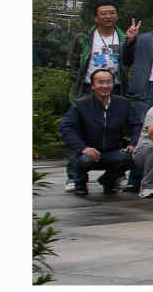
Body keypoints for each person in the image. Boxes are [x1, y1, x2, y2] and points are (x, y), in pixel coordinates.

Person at [58, 68, 139, 196]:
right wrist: (83, 148)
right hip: (87, 151)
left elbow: (136, 125)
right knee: (83, 160)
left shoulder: (123, 103)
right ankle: (80, 182)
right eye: (100, 82)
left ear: (113, 84)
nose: (105, 86)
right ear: (92, 85)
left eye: (108, 82)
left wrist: (133, 144)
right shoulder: (81, 105)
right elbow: (65, 127)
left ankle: (108, 180)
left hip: (113, 150)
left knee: (133, 158)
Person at [69, 0, 125, 101]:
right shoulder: (84, 38)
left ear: (117, 16)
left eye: (112, 13)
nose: (108, 16)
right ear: (96, 18)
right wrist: (76, 81)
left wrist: (131, 41)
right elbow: (73, 62)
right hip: (88, 88)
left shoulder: (124, 38)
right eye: (103, 14)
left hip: (116, 88)